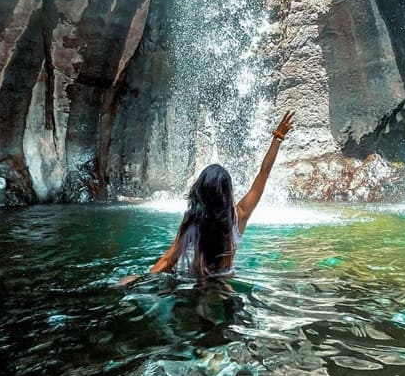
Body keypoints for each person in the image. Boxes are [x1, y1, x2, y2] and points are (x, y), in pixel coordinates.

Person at [117, 111, 294, 287]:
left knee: (133, 282)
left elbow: (168, 260)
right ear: (227, 193)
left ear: (200, 190)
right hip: (222, 282)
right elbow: (264, 173)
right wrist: (278, 137)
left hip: (192, 281)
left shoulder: (193, 220)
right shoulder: (239, 216)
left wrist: (140, 280)